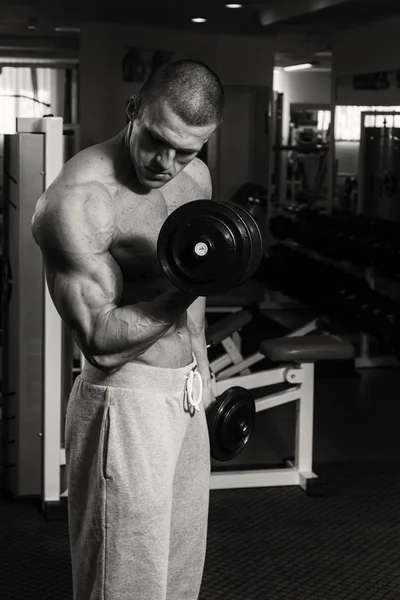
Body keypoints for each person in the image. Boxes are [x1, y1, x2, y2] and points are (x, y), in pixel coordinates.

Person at [31, 59, 225, 600]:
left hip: (185, 393)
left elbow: (196, 286)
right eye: (157, 141)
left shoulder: (198, 177)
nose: (166, 163)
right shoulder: (79, 200)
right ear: (133, 110)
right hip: (126, 399)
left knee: (178, 575)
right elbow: (99, 340)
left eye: (185, 150)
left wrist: (202, 369)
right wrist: (189, 285)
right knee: (124, 583)